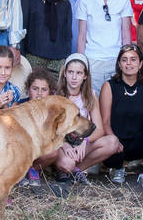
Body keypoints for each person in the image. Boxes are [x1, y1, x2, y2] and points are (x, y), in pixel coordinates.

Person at [51, 53, 121, 182]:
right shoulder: (57, 95)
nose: (74, 77)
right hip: (62, 143)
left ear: (85, 76)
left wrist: (85, 141)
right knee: (68, 163)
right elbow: (50, 129)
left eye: (79, 73)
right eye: (71, 72)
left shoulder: (90, 95)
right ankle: (62, 168)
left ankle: (77, 170)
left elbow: (99, 129)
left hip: (80, 143)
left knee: (113, 142)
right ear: (65, 73)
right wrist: (63, 144)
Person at [99, 44, 143, 187]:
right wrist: (114, 140)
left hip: (140, 141)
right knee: (108, 143)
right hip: (117, 144)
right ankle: (117, 169)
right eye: (124, 60)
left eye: (133, 59)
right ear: (119, 64)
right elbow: (105, 122)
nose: (129, 63)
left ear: (140, 64)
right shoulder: (109, 86)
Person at [76, 0, 132, 93]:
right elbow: (82, 36)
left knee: (116, 104)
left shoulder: (123, 0)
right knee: (94, 103)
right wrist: (80, 64)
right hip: (93, 61)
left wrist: (126, 60)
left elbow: (126, 34)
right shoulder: (85, 2)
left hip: (116, 60)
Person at [20, 0, 72, 78]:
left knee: (55, 97)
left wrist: (65, 60)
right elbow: (21, 32)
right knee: (35, 96)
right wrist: (22, 58)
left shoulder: (65, 3)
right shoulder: (27, 0)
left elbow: (67, 36)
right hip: (33, 59)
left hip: (58, 62)